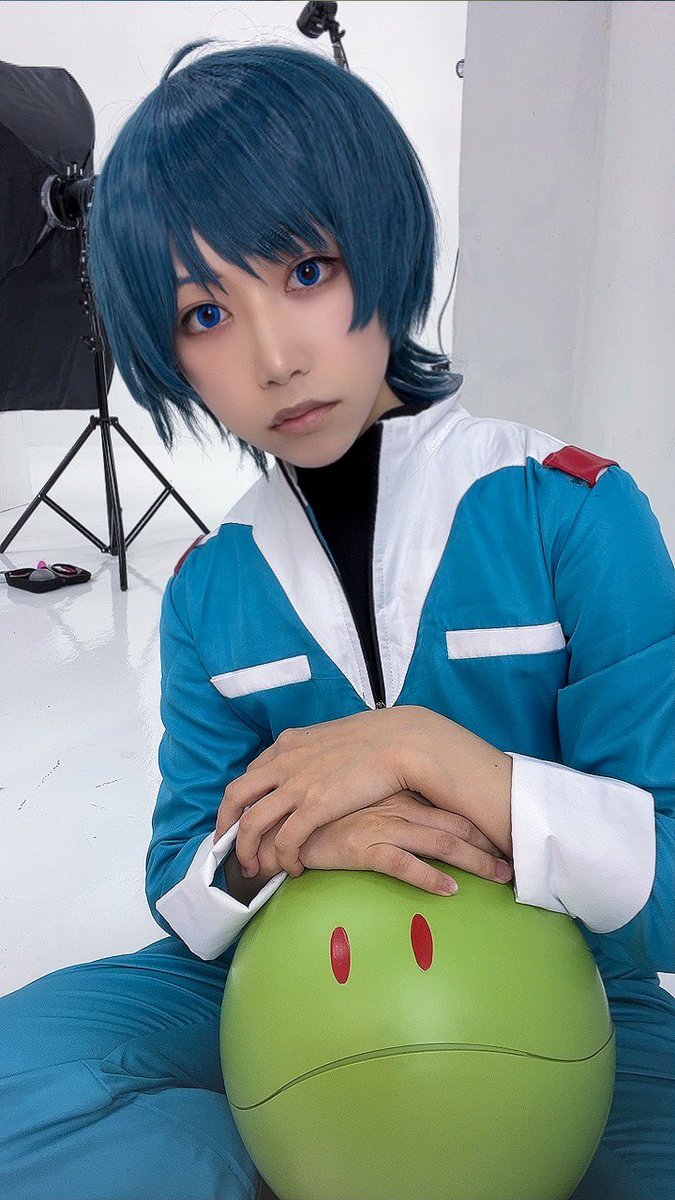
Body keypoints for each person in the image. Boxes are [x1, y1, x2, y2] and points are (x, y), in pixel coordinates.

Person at [1, 36, 674, 1200]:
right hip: (268, 973)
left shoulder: (574, 509)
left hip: (571, 978)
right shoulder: (212, 585)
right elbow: (183, 884)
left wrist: (434, 756)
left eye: (308, 271)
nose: (273, 358)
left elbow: (666, 869)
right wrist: (278, 846)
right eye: (205, 313)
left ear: (382, 244)